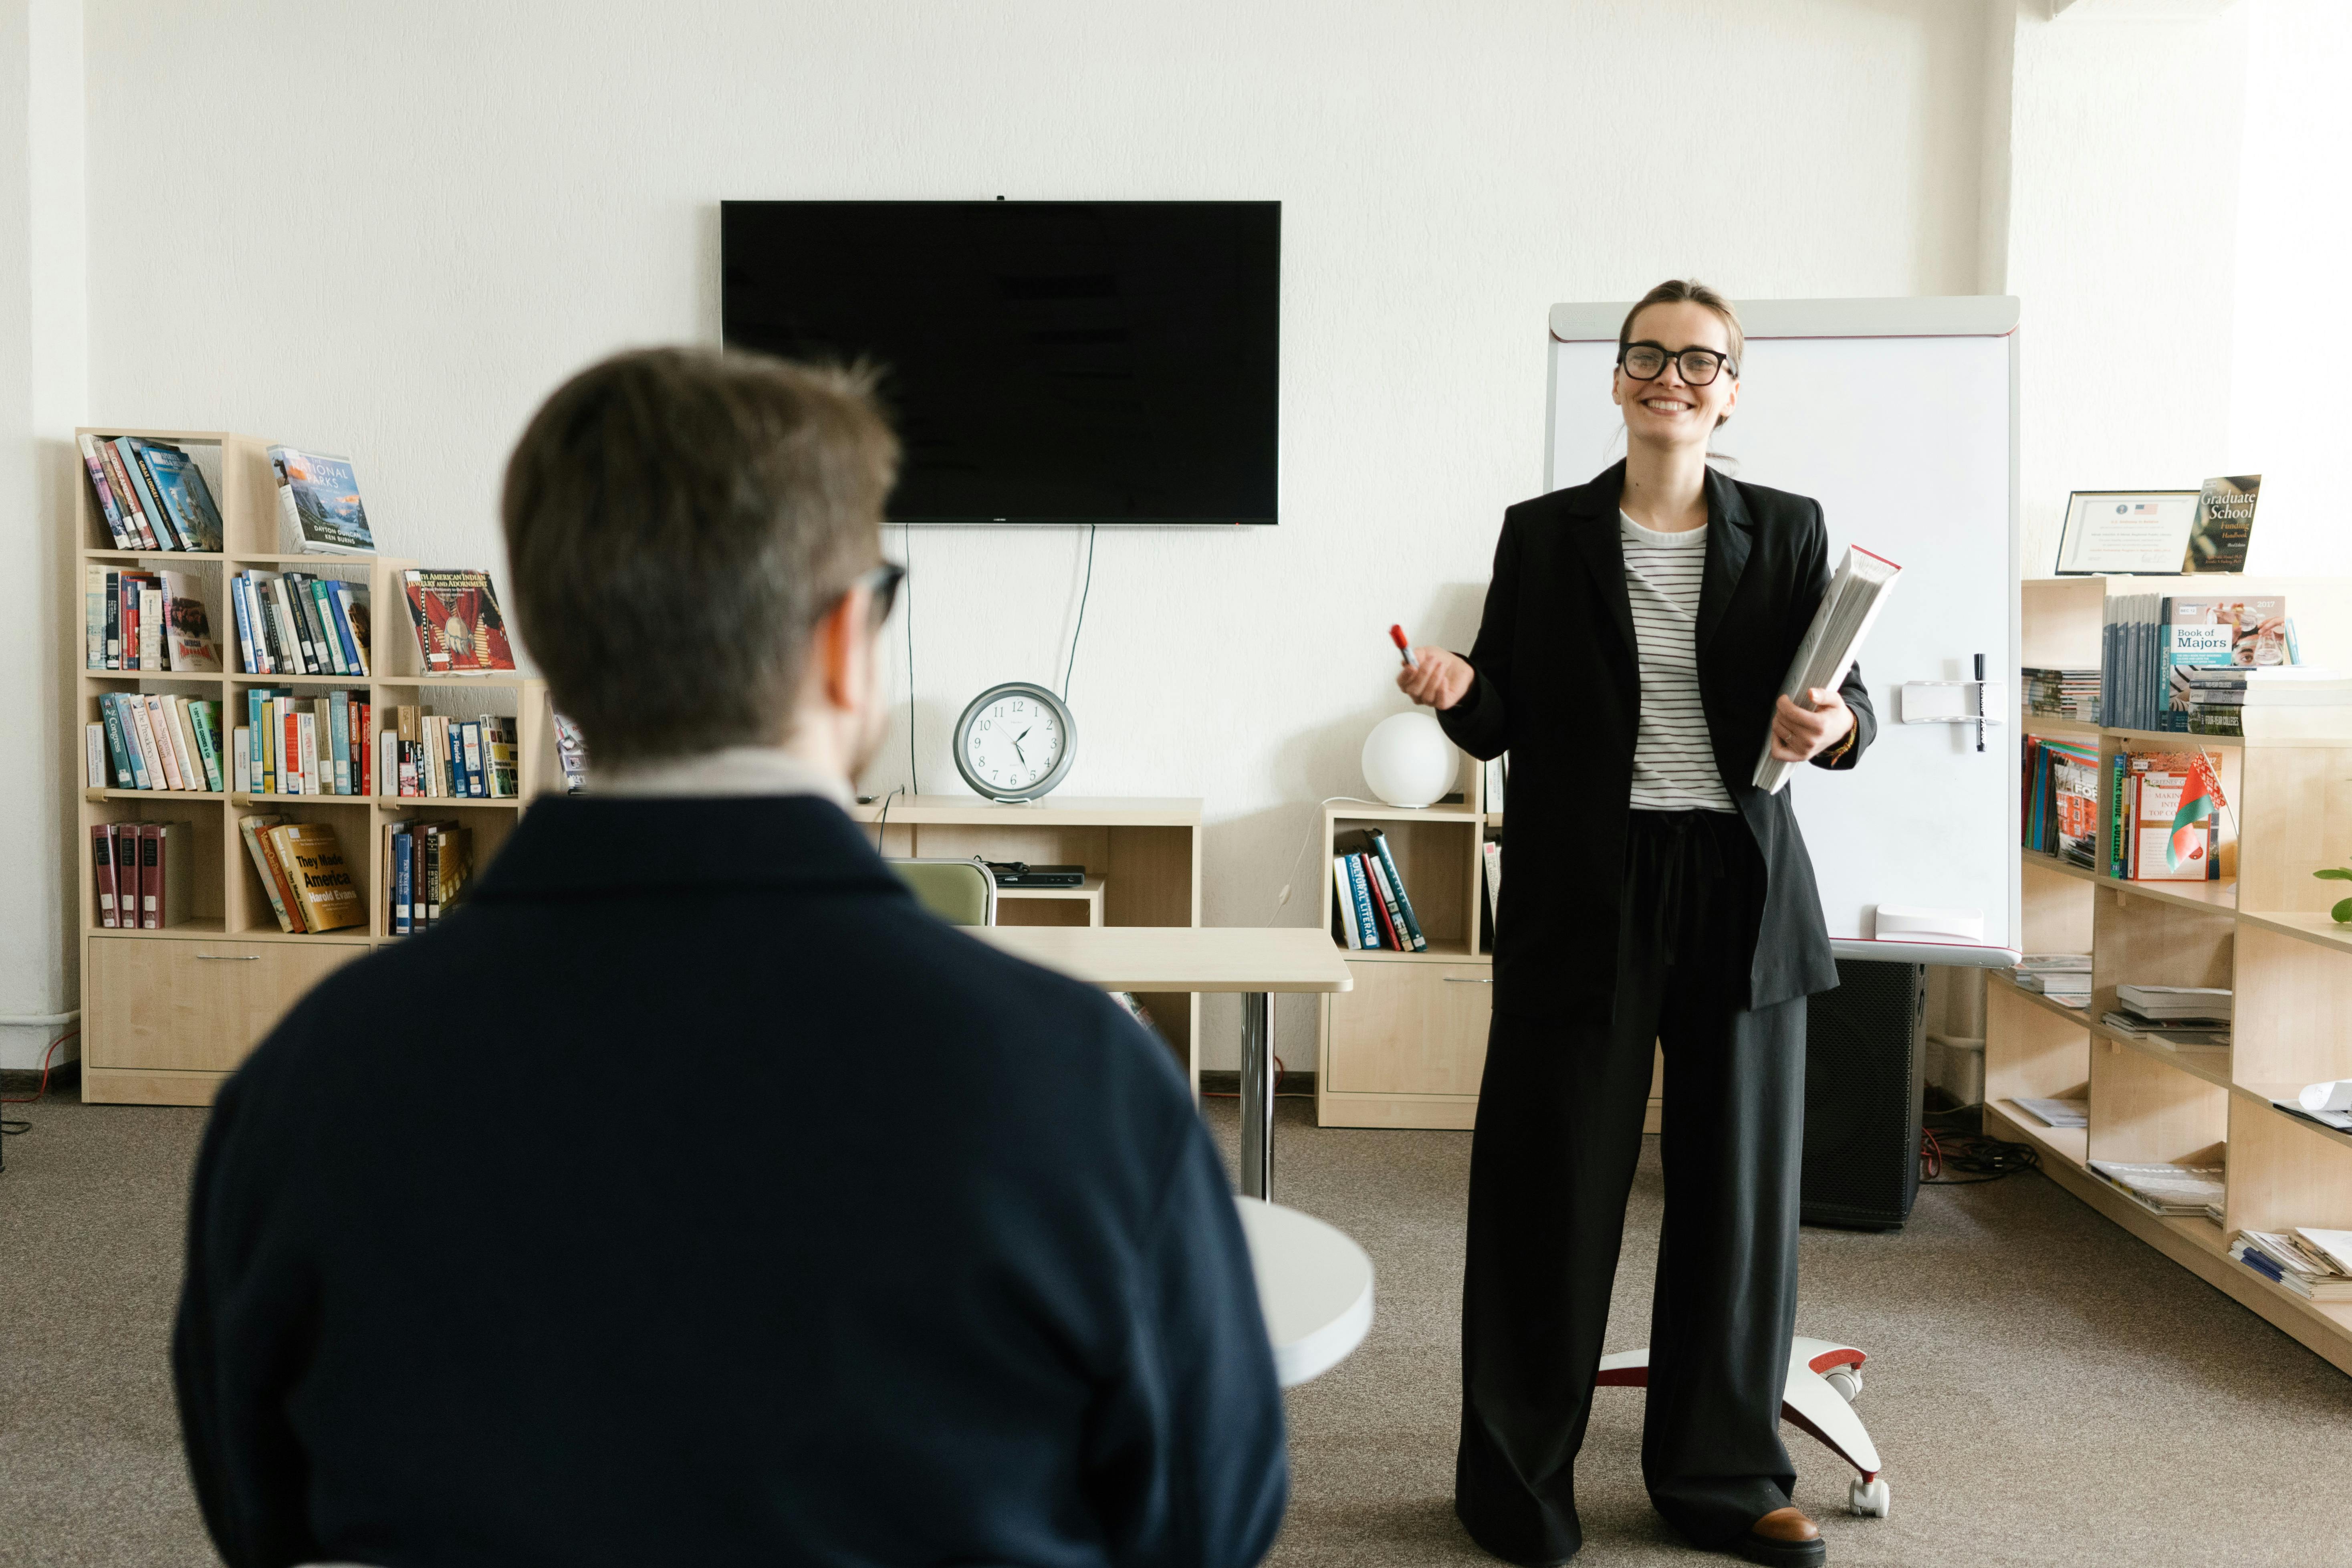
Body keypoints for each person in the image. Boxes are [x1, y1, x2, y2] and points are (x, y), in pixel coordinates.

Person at [173, 347, 1289, 1568]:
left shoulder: (310, 1081)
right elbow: (1207, 1526)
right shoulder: (1090, 1082)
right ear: (843, 642)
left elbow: (260, 1511)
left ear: (548, 636)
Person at [1398, 280, 1874, 1568]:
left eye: (1699, 359)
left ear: (1731, 388)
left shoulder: (1787, 530)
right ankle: (1514, 1480)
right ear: (1617, 381)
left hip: (1740, 884)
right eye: (1648, 356)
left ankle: (1723, 1477)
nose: (1672, 375)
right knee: (1550, 1186)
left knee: (1735, 1196)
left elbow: (1846, 705)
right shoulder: (1542, 536)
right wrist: (1456, 690)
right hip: (1584, 887)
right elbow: (1506, 717)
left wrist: (1829, 725)